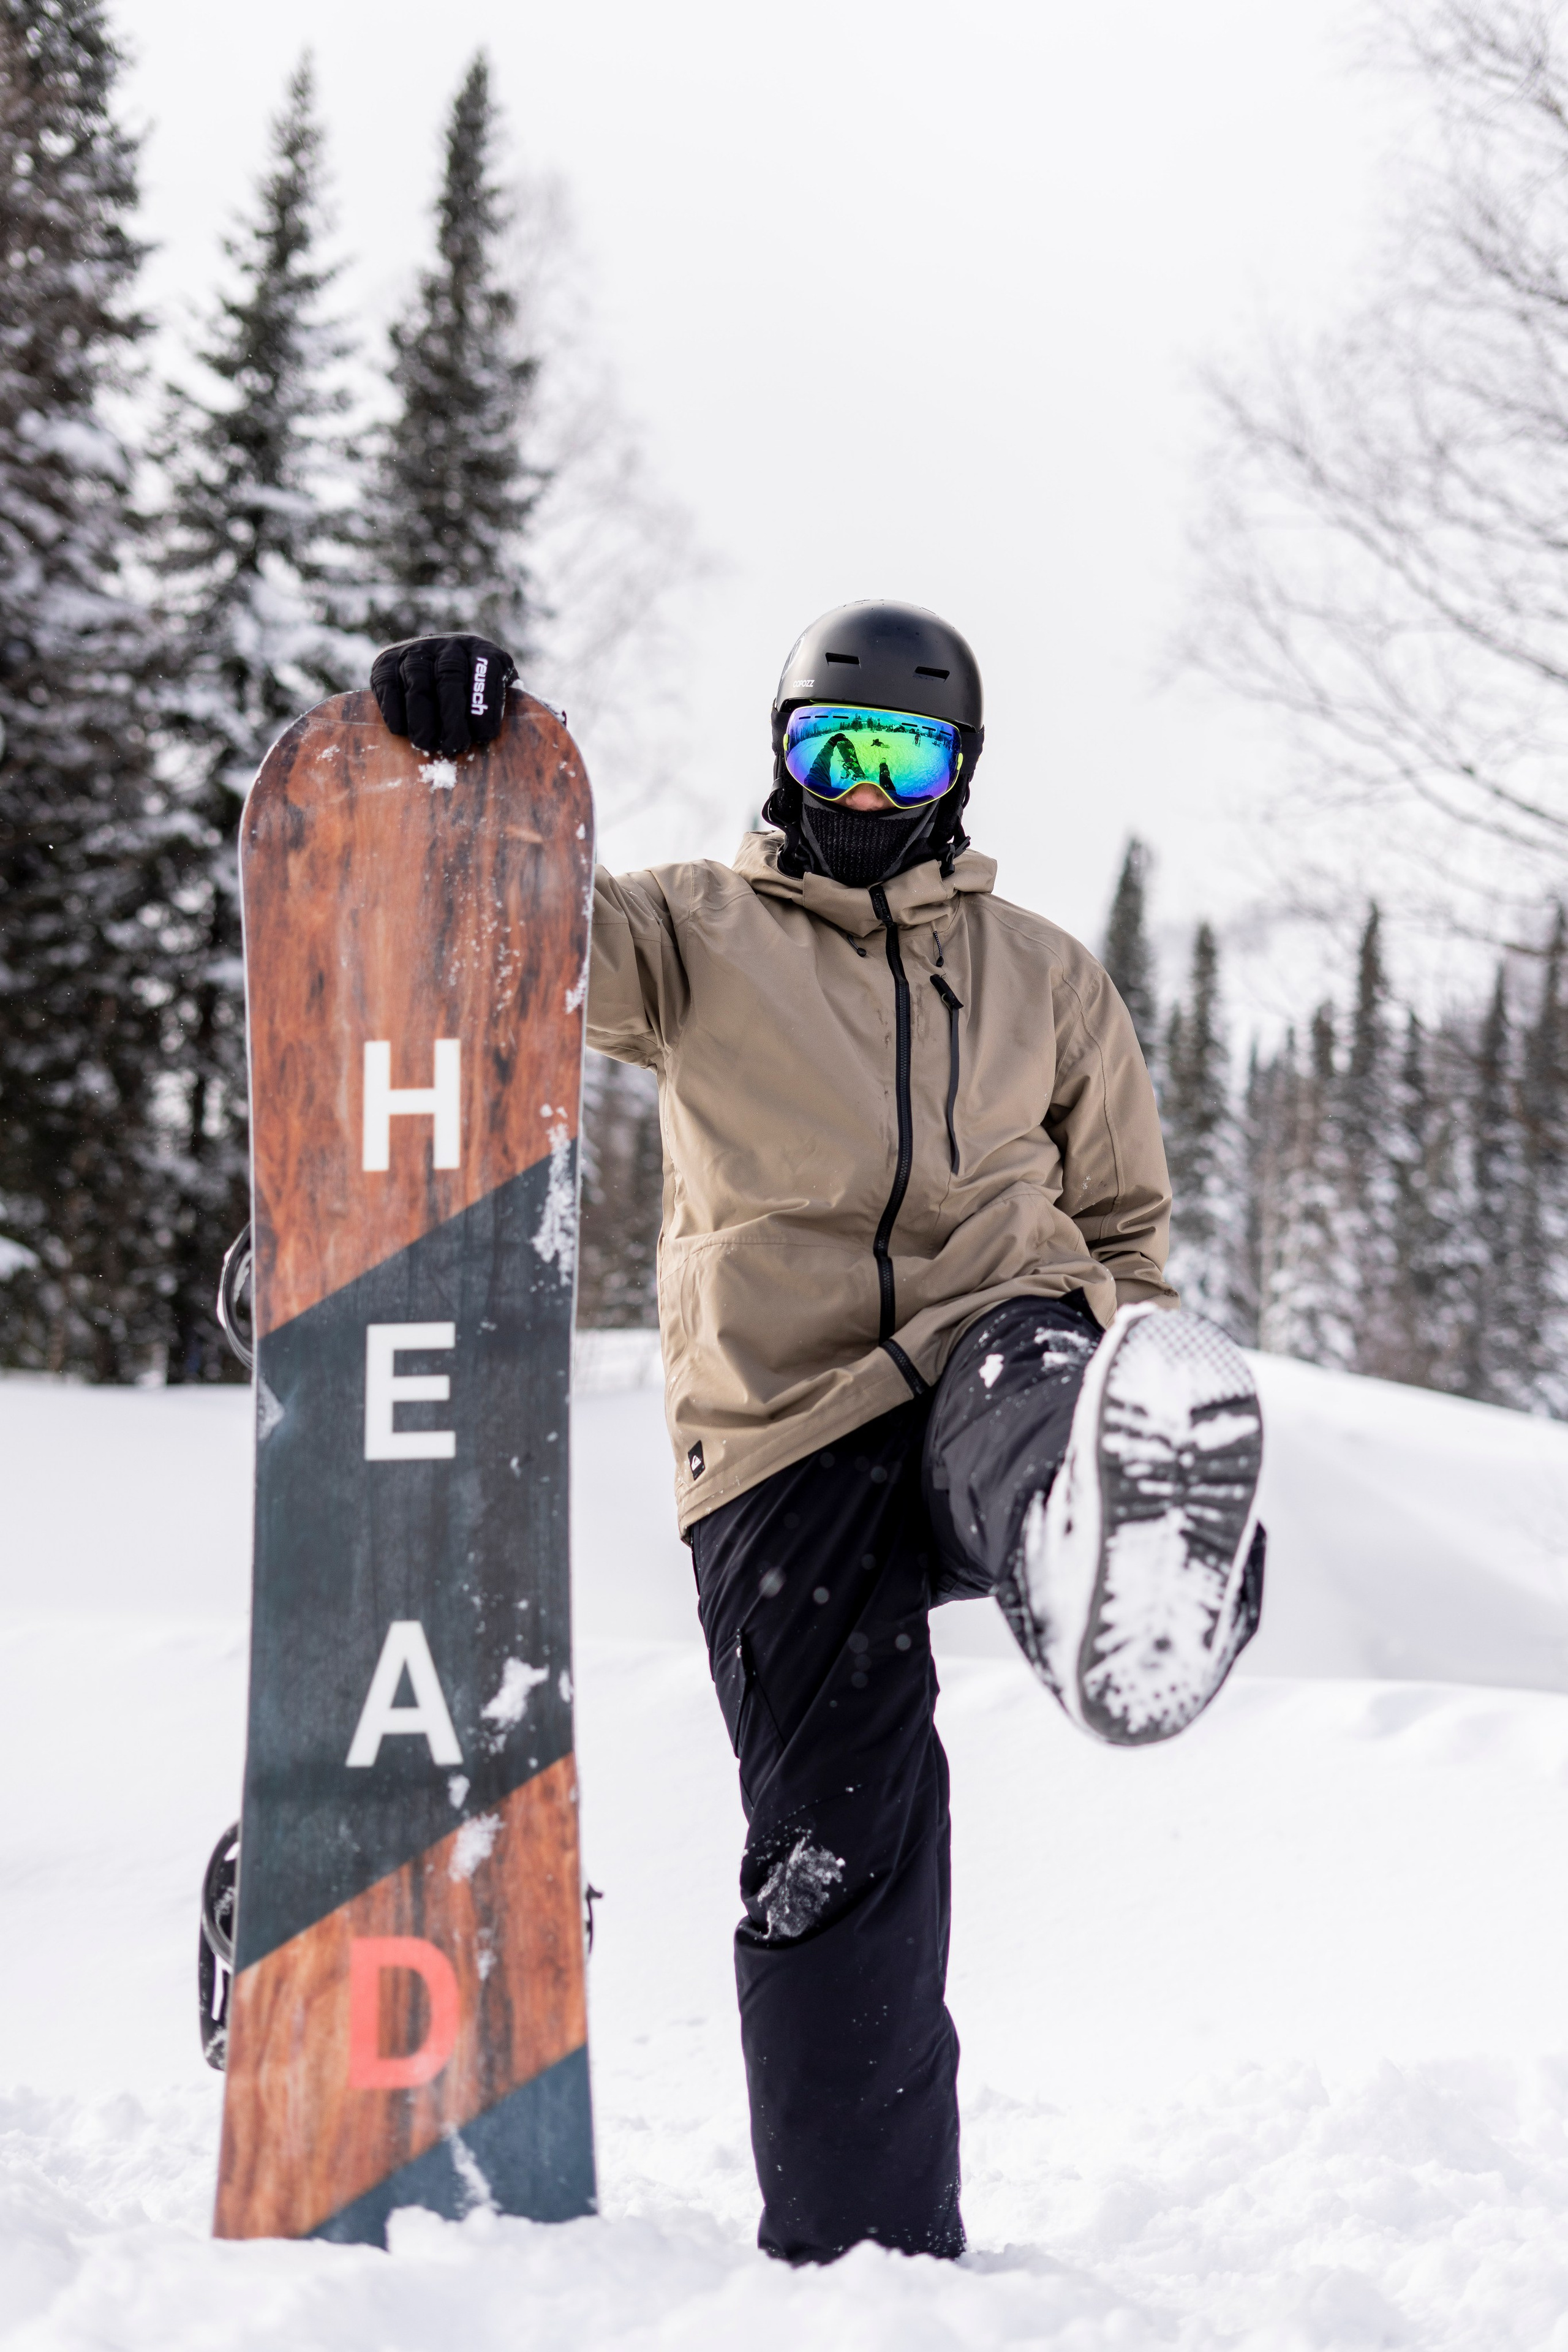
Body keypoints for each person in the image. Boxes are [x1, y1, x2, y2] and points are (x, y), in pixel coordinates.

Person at [369, 604, 1265, 2266]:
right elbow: (520, 936)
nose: (860, 786)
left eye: (899, 756)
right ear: (780, 758)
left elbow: (1123, 1224)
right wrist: (460, 769)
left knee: (1034, 1381)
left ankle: (1109, 1534)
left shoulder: (1046, 976)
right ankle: (865, 2257)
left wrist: (1120, 1345)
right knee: (837, 1836)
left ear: (958, 774)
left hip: (994, 1339)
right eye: (828, 747)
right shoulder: (691, 933)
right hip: (781, 1419)